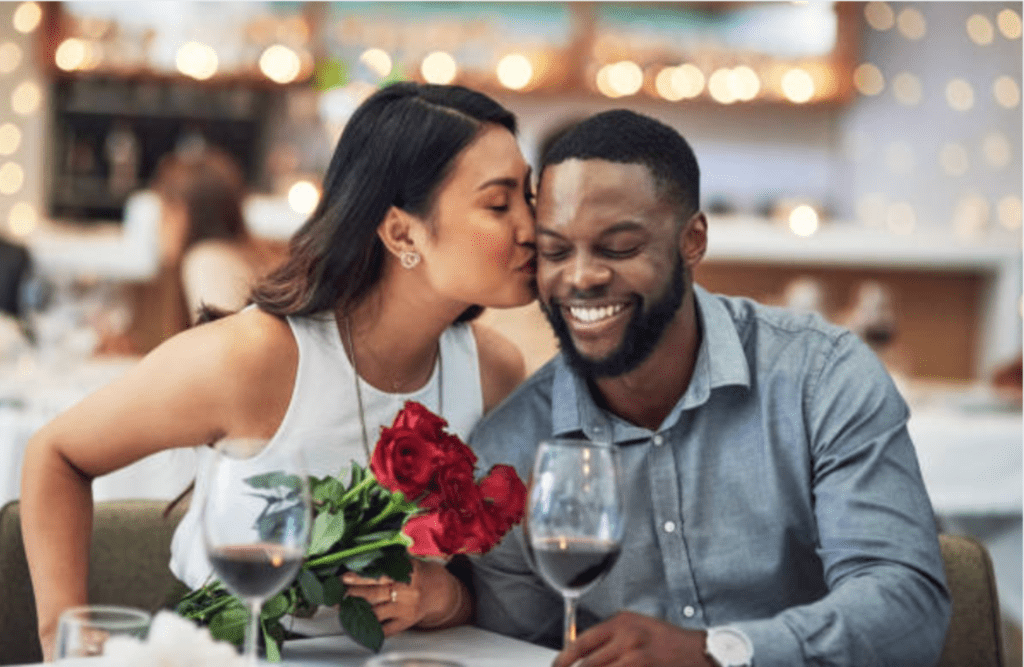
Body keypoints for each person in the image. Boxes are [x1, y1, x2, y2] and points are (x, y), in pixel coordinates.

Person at [20, 82, 537, 660]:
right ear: (401, 232)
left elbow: (494, 578)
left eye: (530, 197)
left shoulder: (493, 371)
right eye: (499, 203)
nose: (531, 227)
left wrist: (444, 598)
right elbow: (57, 453)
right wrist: (61, 633)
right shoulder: (254, 357)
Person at [468, 109, 951, 667]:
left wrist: (717, 654)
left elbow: (908, 611)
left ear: (692, 240)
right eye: (555, 252)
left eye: (619, 248)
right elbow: (514, 653)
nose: (580, 278)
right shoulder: (509, 452)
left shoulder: (821, 378)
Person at [152, 145, 284, 323]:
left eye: (163, 212)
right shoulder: (243, 255)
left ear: (181, 212)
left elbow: (229, 345)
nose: (157, 227)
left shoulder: (207, 261)